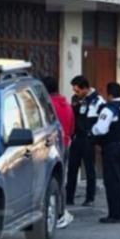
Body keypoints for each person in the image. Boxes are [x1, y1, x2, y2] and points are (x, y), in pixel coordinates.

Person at [91, 81, 120, 224]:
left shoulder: (110, 109)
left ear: (110, 95)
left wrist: (92, 132)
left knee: (112, 181)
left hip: (112, 148)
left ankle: (116, 215)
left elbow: (101, 129)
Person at [66, 75, 105, 207]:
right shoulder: (75, 99)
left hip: (89, 139)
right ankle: (69, 197)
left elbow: (101, 121)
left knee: (89, 170)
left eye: (78, 91)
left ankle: (90, 198)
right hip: (76, 138)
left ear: (86, 88)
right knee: (72, 169)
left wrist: (98, 141)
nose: (76, 94)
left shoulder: (98, 100)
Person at [43, 76, 74, 229]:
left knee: (49, 180)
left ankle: (58, 213)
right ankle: (61, 211)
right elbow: (72, 127)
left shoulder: (47, 105)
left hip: (50, 146)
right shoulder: (67, 105)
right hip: (65, 144)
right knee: (61, 179)